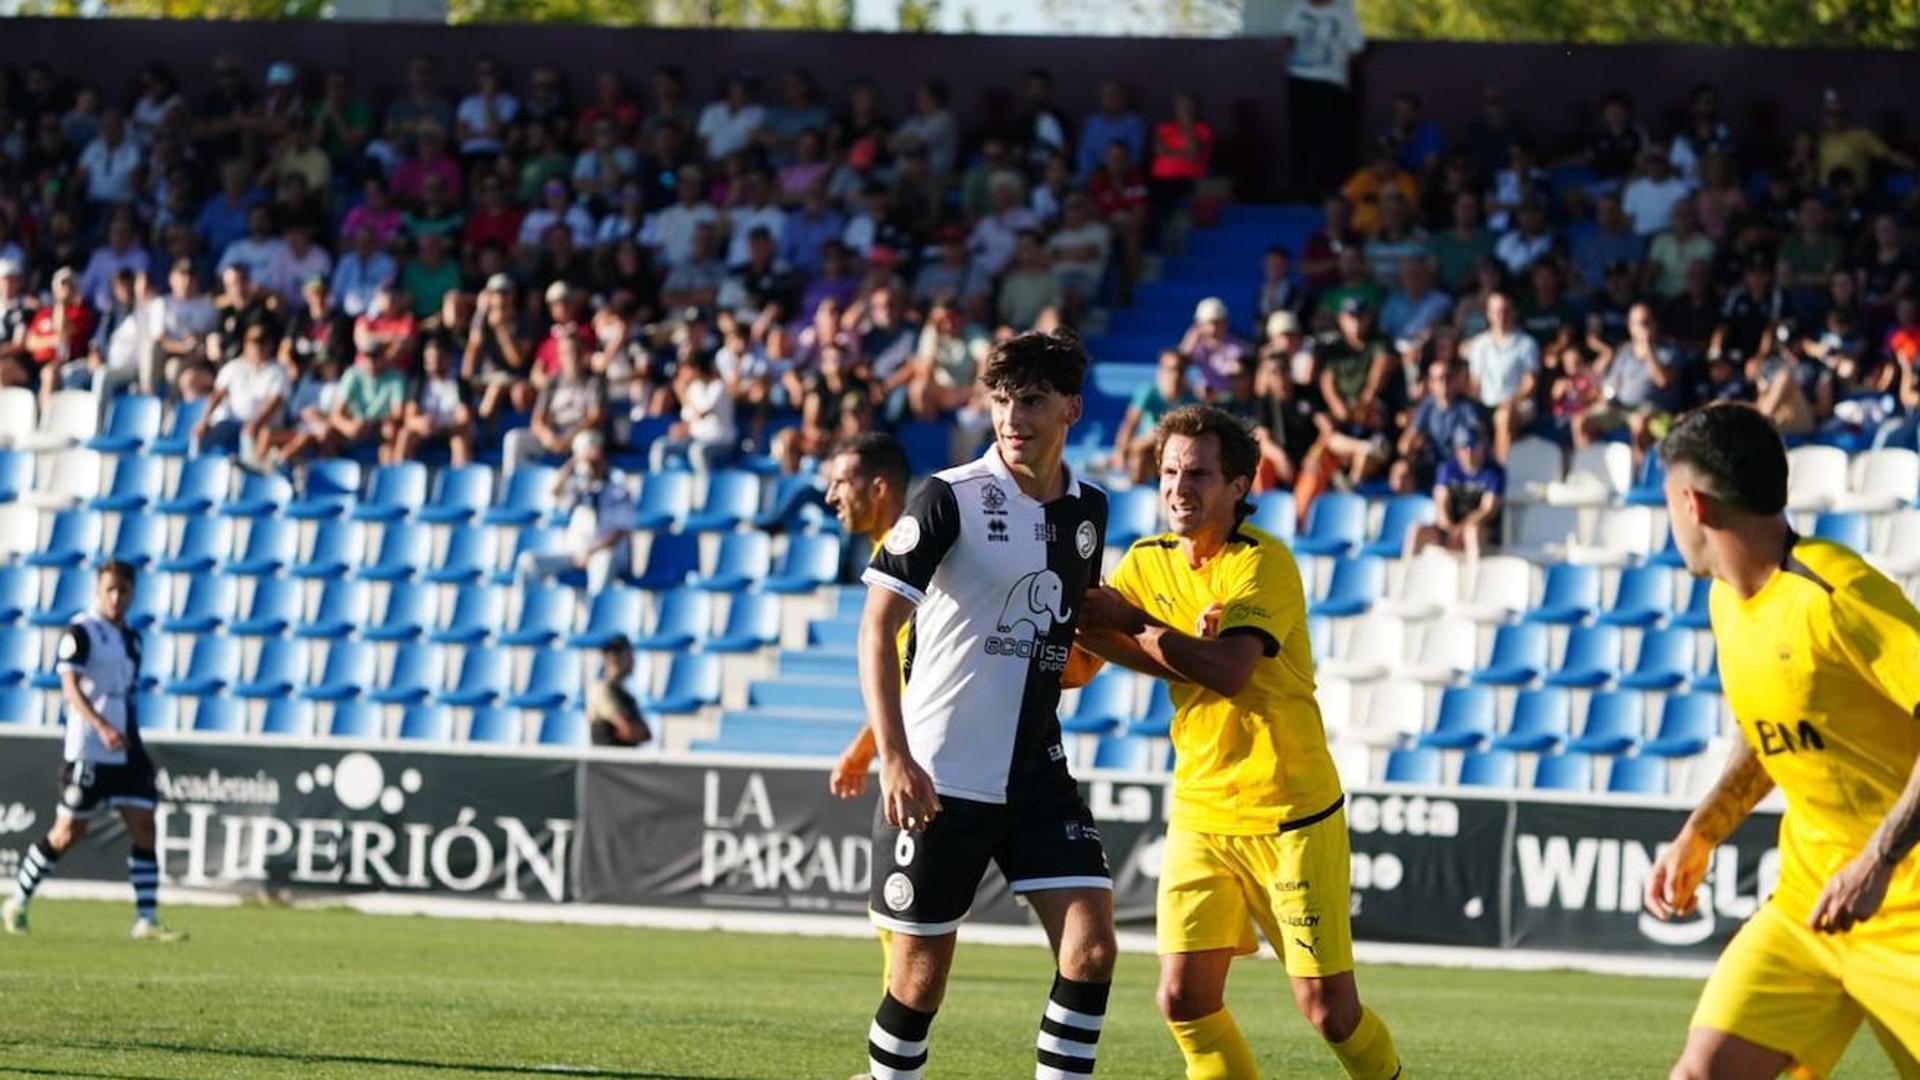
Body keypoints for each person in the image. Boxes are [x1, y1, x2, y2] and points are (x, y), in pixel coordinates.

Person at [1075, 405, 1407, 1080]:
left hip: (1290, 814)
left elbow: (1227, 672)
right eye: (1169, 471)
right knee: (1183, 1000)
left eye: (1197, 473)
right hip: (1201, 811)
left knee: (1328, 1011)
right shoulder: (1147, 560)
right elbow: (1080, 665)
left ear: (1238, 485)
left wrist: (1137, 627)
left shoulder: (1264, 565)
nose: (1178, 487)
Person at [855, 331, 1115, 1080]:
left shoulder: (1089, 511)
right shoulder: (948, 497)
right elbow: (876, 625)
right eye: (1001, 400)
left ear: (1070, 407)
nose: (1012, 417)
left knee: (1092, 947)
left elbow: (1060, 643)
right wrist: (894, 756)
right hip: (943, 774)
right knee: (918, 980)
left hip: (1036, 769)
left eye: (1030, 401)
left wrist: (1130, 635)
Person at [1646, 403, 1920, 1080]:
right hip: (1807, 906)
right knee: (1701, 1073)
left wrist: (1877, 861)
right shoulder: (1724, 600)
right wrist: (1702, 830)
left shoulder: (1837, 593)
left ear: (1693, 504)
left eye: (1668, 505)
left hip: (1909, 912)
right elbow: (1774, 728)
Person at [5, 562, 184, 943]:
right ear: (98, 591)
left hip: (124, 749)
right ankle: (17, 900)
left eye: (123, 590)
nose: (116, 597)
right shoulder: (82, 632)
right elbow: (69, 687)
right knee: (68, 832)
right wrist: (101, 726)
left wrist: (133, 742)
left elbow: (127, 697)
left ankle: (146, 919)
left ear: (132, 593)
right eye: (110, 590)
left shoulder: (131, 640)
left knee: (144, 824)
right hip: (89, 748)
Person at [520, 430, 636, 593]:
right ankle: (526, 613)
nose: (590, 465)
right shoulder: (577, 485)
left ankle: (595, 616)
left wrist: (590, 552)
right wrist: (575, 460)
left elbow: (619, 531)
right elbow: (553, 490)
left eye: (594, 460)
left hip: (603, 552)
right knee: (529, 561)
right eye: (587, 460)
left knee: (603, 562)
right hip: (574, 552)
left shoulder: (618, 486)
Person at [1282, 0, 1364, 198]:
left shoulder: (1343, 13)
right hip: (1299, 78)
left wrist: (1338, 67)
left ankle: (1323, 190)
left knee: (1327, 136)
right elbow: (1288, 36)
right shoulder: (1299, 8)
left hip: (1329, 82)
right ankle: (1298, 187)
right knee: (1299, 133)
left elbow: (1357, 48)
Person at [1407, 425, 1504, 559]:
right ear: (1457, 450)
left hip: (1478, 528)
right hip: (1450, 527)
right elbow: (1441, 504)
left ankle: (1473, 576)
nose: (1469, 452)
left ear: (1482, 447)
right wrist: (1449, 529)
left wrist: (1461, 529)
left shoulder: (1494, 472)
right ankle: (1408, 572)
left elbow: (1488, 510)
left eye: (1473, 446)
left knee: (1473, 532)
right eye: (1464, 447)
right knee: (1417, 529)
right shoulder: (1447, 469)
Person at [1115, 349, 1202, 483]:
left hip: (1178, 450)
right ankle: (1136, 491)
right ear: (1161, 371)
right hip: (1149, 448)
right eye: (1171, 369)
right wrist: (1120, 453)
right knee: (1141, 450)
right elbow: (1130, 423)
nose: (1176, 375)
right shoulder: (1148, 392)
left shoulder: (1192, 399)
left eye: (1181, 370)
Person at [586, 635, 651, 749]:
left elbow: (646, 734)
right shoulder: (600, 691)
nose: (632, 660)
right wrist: (631, 730)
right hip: (606, 763)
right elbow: (628, 730)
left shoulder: (626, 695)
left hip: (624, 763)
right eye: (627, 655)